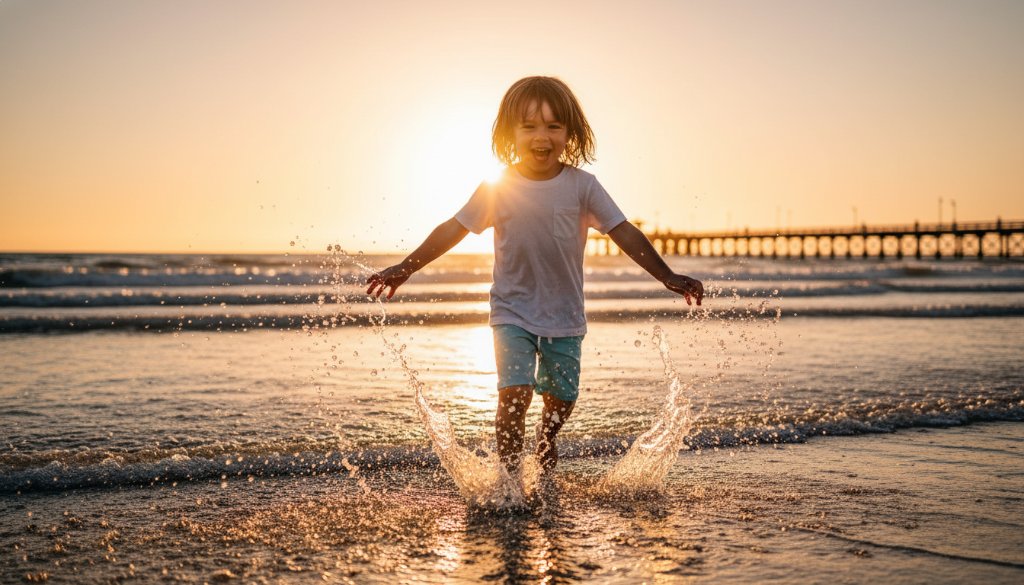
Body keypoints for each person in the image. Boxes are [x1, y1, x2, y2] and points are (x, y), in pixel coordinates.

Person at [366, 76, 703, 474]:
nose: (541, 137)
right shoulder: (499, 186)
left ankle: (547, 436)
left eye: (553, 126)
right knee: (514, 395)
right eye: (528, 126)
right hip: (511, 312)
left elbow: (623, 231)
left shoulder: (583, 187)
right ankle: (509, 483)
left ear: (570, 133)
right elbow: (454, 227)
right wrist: (405, 268)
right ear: (510, 132)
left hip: (564, 315)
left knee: (562, 399)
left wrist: (666, 275)